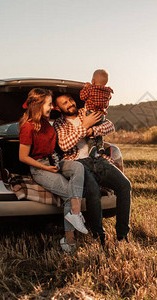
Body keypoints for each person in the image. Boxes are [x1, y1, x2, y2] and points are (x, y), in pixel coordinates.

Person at [53, 93, 131, 247]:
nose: (69, 104)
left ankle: (122, 235)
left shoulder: (86, 112)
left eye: (70, 100)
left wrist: (91, 131)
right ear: (58, 108)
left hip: (97, 159)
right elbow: (64, 145)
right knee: (93, 190)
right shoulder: (59, 123)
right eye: (64, 103)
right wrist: (85, 126)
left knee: (125, 185)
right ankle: (98, 235)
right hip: (77, 163)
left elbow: (109, 126)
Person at [18, 88, 87, 253]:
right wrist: (44, 167)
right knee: (69, 194)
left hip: (56, 161)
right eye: (48, 104)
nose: (51, 107)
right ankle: (69, 241)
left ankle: (75, 213)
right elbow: (23, 157)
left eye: (51, 105)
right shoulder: (28, 127)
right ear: (38, 105)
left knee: (78, 166)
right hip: (40, 167)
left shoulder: (46, 121)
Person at [79, 69, 114, 156]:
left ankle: (92, 147)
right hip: (100, 114)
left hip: (90, 113)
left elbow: (82, 97)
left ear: (93, 81)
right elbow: (108, 101)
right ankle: (100, 146)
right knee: (98, 132)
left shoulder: (90, 89)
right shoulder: (108, 92)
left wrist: (86, 87)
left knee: (90, 132)